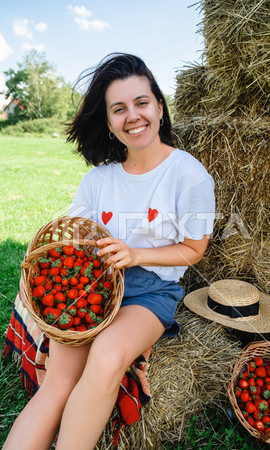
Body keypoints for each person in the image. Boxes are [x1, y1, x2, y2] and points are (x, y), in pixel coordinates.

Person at [3, 53, 215, 450]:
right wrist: (47, 263)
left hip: (150, 292)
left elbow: (193, 249)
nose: (132, 116)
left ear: (160, 107)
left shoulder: (189, 174)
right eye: (119, 109)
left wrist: (135, 255)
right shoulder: (98, 179)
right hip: (92, 289)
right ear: (108, 122)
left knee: (105, 358)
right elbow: (73, 241)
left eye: (141, 103)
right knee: (59, 381)